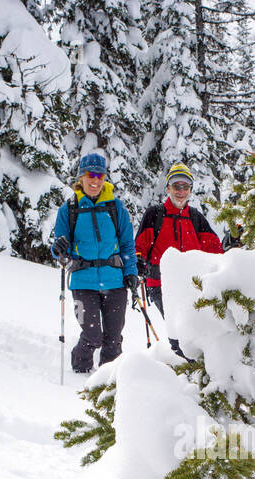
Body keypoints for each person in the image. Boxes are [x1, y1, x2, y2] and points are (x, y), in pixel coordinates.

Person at [50, 153, 139, 373]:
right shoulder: (69, 209)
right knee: (92, 336)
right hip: (83, 281)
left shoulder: (116, 207)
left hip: (115, 280)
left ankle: (108, 382)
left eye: (100, 175)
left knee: (113, 337)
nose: (95, 180)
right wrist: (59, 249)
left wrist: (131, 272)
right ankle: (79, 371)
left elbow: (127, 244)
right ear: (81, 176)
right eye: (91, 174)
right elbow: (61, 249)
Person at [134, 163, 223, 355]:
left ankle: (191, 371)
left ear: (190, 190)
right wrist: (138, 262)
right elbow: (139, 247)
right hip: (160, 284)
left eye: (185, 187)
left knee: (195, 332)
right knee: (180, 333)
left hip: (192, 286)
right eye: (176, 186)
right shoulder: (154, 215)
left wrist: (231, 244)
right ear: (168, 188)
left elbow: (215, 250)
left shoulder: (195, 217)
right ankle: (184, 371)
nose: (181, 191)